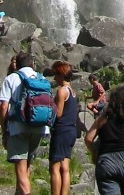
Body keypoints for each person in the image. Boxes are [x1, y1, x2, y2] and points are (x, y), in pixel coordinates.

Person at [0, 51, 49, 195]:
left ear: (16, 64)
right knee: (27, 165)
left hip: (18, 127)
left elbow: (3, 106)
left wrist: (4, 130)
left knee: (20, 167)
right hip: (40, 126)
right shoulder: (41, 78)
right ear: (32, 63)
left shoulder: (11, 78)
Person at [49, 61, 78, 195]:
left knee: (54, 168)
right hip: (71, 131)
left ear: (61, 75)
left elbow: (58, 113)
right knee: (65, 168)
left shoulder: (62, 91)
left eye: (56, 74)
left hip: (61, 131)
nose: (54, 78)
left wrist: (51, 105)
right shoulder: (73, 92)